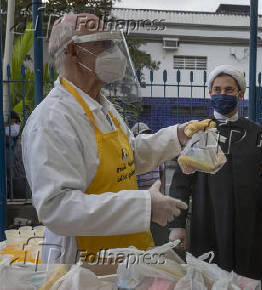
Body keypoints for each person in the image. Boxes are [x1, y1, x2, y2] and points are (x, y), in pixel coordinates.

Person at [21, 13, 209, 264]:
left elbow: (127, 155)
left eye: (112, 43)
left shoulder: (103, 107)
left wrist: (177, 136)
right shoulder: (52, 120)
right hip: (84, 264)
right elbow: (57, 208)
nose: (114, 52)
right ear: (73, 52)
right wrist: (144, 207)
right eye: (102, 44)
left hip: (124, 255)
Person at [168, 65, 262, 289]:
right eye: (217, 89)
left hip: (249, 227)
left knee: (249, 279)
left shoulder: (254, 132)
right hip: (209, 224)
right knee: (211, 279)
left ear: (240, 95)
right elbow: (181, 184)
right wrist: (177, 225)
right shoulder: (199, 132)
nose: (223, 94)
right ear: (210, 93)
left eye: (229, 90)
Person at [131, 122, 165, 192]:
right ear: (134, 137)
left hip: (154, 192)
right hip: (138, 193)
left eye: (147, 134)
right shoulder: (132, 154)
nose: (145, 137)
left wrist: (160, 189)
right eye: (142, 134)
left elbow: (162, 172)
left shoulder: (156, 151)